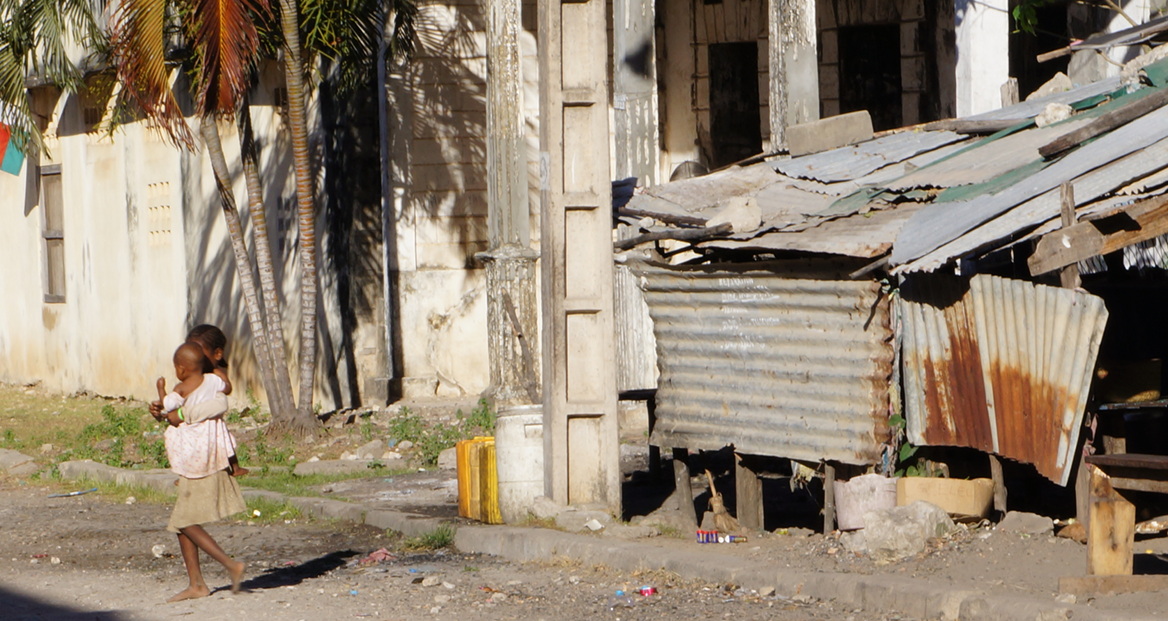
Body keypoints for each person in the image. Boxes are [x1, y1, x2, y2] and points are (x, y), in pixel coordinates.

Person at [152, 342, 246, 602]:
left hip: (198, 460)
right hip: (199, 456)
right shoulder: (212, 382)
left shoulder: (187, 388)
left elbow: (176, 411)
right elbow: (223, 386)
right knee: (181, 525)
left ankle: (230, 565)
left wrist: (164, 395)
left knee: (183, 522)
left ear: (181, 368)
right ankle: (197, 584)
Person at [185, 324, 248, 477]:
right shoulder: (191, 377)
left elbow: (227, 388)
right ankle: (187, 473)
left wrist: (216, 385)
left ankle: (234, 467)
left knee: (224, 442)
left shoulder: (215, 373)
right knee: (189, 445)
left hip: (212, 420)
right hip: (195, 419)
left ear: (217, 354)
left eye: (199, 352)